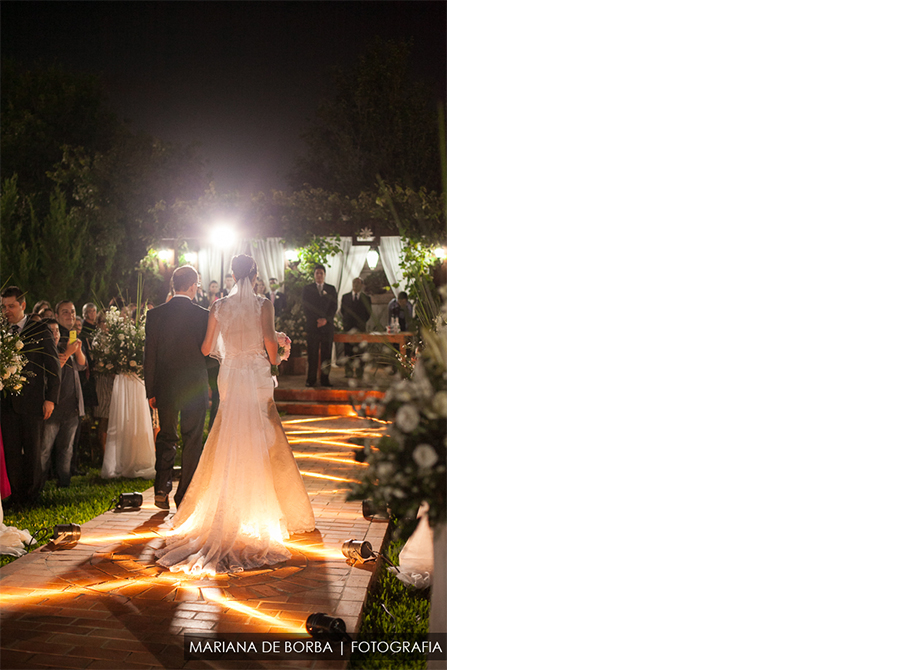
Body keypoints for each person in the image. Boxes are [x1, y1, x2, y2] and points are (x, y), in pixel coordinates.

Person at [155, 254, 315, 576]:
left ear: (230, 275)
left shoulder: (218, 307)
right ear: (254, 275)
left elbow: (205, 349)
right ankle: (260, 512)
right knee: (262, 438)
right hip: (255, 375)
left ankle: (227, 510)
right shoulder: (263, 305)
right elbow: (269, 346)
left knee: (230, 435)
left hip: (229, 376)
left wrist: (233, 350)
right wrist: (279, 350)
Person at [144, 266, 210, 510]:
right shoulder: (204, 315)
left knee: (167, 436)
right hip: (194, 386)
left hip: (166, 387)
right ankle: (184, 494)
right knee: (192, 439)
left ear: (174, 285)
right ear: (193, 285)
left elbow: (149, 356)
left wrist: (151, 390)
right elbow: (210, 354)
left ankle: (161, 488)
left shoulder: (156, 315)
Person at [0, 287, 61, 505]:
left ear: (23, 305)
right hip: (6, 403)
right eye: (4, 306)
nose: (7, 311)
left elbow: (53, 367)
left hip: (33, 401)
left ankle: (32, 496)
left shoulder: (39, 329)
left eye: (11, 306)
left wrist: (50, 398)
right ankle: (16, 495)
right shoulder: (2, 331)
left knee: (34, 450)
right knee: (12, 451)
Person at [38, 318, 85, 490]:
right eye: (51, 331)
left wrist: (77, 351)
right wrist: (69, 353)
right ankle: (39, 484)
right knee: (44, 449)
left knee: (67, 449)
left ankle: (64, 482)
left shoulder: (64, 347)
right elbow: (52, 372)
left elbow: (82, 365)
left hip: (71, 407)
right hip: (52, 409)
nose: (55, 334)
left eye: (57, 331)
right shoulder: (41, 352)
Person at [301, 264, 337, 387]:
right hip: (313, 326)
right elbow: (306, 306)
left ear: (325, 275)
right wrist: (316, 320)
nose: (319, 275)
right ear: (314, 275)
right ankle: (311, 379)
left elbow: (334, 307)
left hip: (327, 327)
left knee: (326, 354)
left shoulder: (331, 289)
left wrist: (326, 320)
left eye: (321, 273)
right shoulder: (308, 288)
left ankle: (325, 379)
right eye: (317, 273)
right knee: (312, 354)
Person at [340, 277, 372, 379]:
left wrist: (361, 323)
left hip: (360, 328)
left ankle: (359, 373)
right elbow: (342, 311)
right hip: (348, 328)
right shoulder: (345, 297)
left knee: (360, 351)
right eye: (354, 282)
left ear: (362, 285)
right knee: (348, 351)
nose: (356, 285)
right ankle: (348, 372)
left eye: (358, 283)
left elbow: (368, 313)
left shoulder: (366, 298)